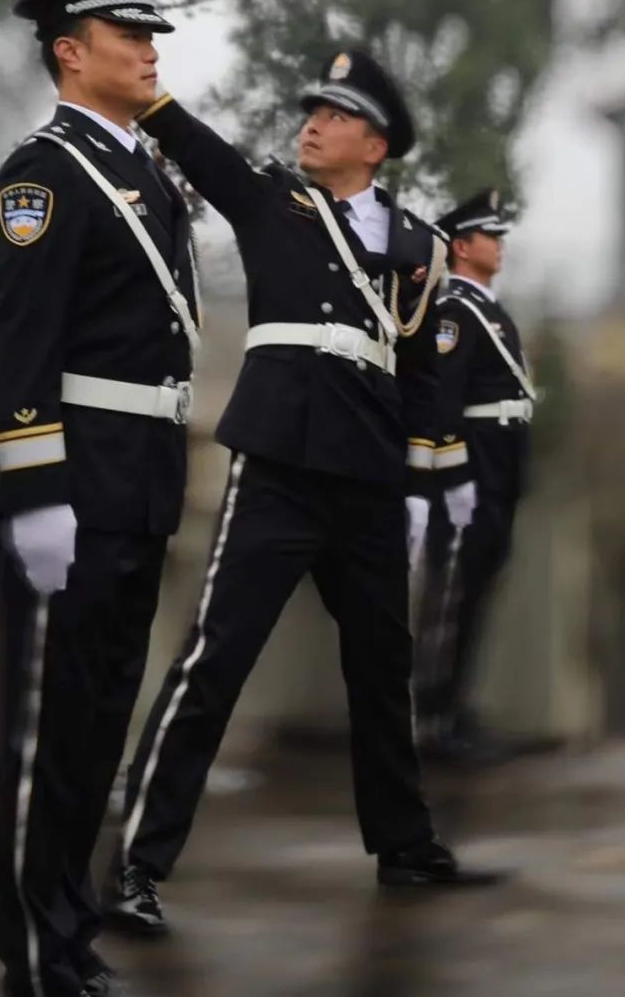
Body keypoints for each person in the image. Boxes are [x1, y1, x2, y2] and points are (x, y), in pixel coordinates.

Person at [105, 49, 501, 939]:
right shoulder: (272, 200)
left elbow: (424, 377)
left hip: (366, 477)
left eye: (334, 113)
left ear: (376, 142)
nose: (312, 123)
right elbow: (203, 152)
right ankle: (136, 864)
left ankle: (404, 846)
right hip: (278, 465)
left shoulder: (421, 246)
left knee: (380, 666)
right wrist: (151, 99)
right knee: (214, 662)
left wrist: (426, 477)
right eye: (311, 110)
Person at [0, 0, 200, 997]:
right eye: (132, 31)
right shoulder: (47, 173)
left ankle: (66, 936)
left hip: (139, 483)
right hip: (73, 488)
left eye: (155, 30)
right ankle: (32, 954)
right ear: (72, 51)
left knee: (96, 726)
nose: (152, 47)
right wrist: (34, 491)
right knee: (43, 739)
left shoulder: (140, 169)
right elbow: (20, 342)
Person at [414, 189, 535, 765]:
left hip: (499, 467)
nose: (499, 244)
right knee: (452, 595)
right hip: (471, 470)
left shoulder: (488, 310)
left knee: (475, 593)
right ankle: (432, 719)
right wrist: (454, 475)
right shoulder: (455, 312)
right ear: (462, 247)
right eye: (490, 235)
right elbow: (440, 402)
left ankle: (457, 709)